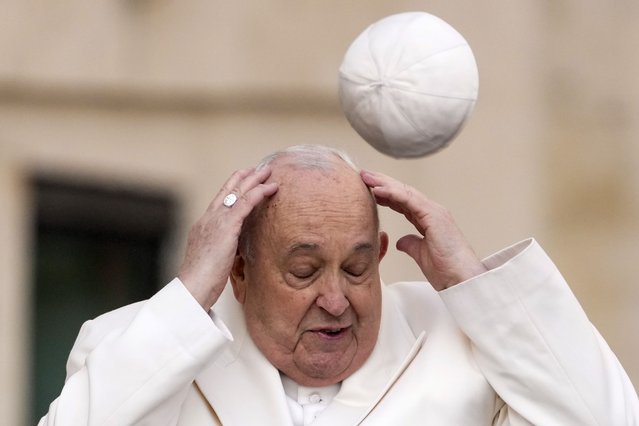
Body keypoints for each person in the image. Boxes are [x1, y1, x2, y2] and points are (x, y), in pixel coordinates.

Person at [40, 145, 638, 425]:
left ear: (382, 255)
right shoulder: (140, 349)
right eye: (303, 271)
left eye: (357, 268)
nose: (335, 299)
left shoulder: (468, 345)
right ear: (240, 273)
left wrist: (473, 282)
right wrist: (190, 294)